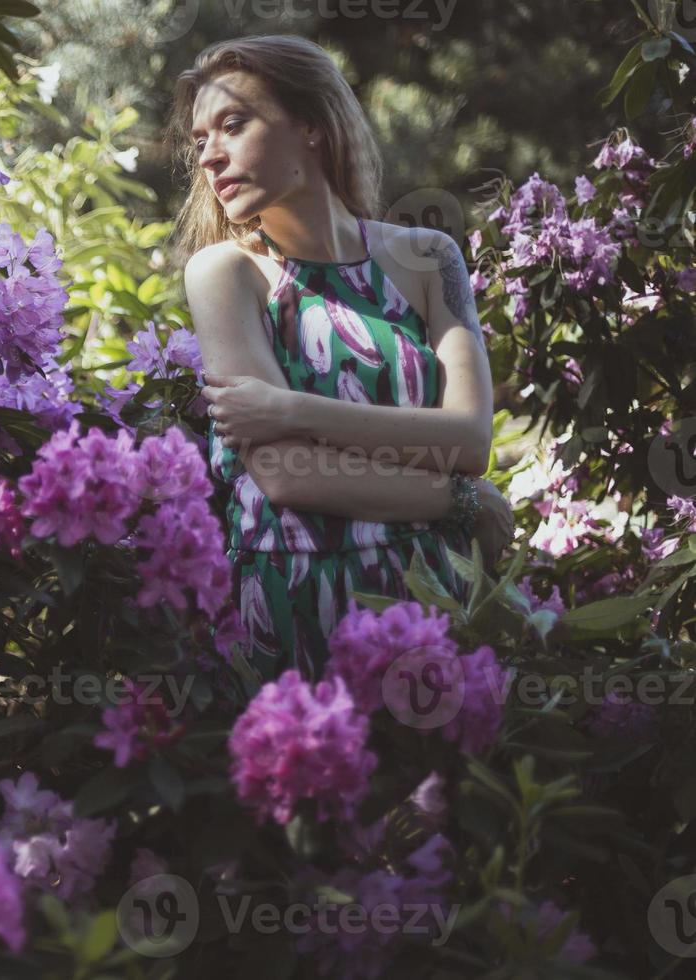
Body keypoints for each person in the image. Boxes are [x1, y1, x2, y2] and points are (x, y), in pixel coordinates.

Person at [168, 35, 515, 678]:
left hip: (434, 593)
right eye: (199, 141)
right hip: (297, 598)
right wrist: (461, 502)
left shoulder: (429, 256)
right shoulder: (226, 273)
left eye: (233, 125)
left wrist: (288, 406)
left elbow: (468, 440)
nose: (210, 157)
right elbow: (287, 474)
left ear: (311, 126)